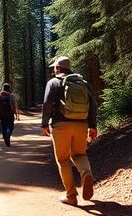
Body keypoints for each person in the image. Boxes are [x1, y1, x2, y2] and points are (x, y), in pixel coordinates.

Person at [40, 56, 98, 206]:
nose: (54, 69)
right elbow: (93, 105)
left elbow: (47, 103)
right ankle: (86, 174)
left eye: (54, 67)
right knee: (79, 154)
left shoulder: (53, 82)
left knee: (63, 160)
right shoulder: (83, 83)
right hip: (81, 125)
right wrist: (92, 126)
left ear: (58, 68)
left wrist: (44, 124)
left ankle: (71, 196)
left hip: (61, 126)